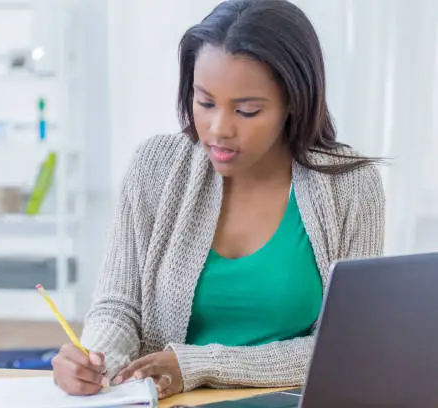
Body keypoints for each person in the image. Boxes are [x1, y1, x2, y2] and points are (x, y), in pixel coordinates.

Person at [52, 0, 385, 400]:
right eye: (204, 102)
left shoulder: (351, 185)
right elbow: (119, 306)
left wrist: (197, 365)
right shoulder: (155, 166)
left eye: (247, 111)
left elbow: (346, 348)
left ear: (293, 102)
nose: (217, 129)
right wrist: (96, 357)